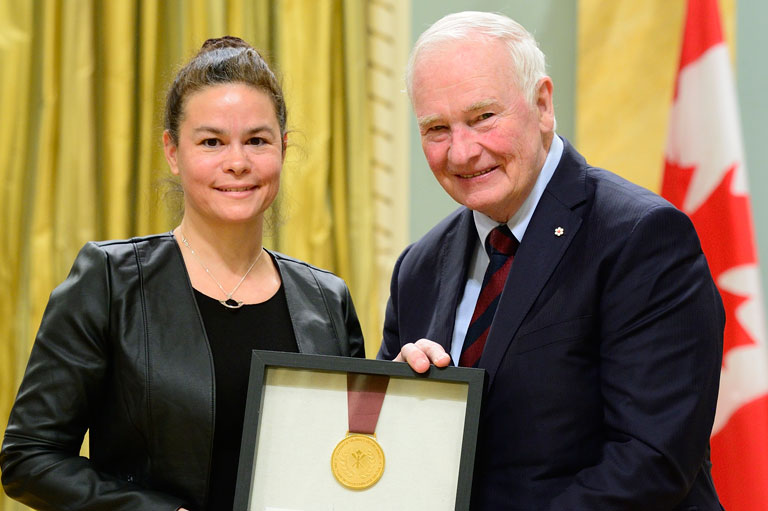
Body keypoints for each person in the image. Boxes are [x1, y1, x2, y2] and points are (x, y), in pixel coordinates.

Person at [378, 11, 724, 510]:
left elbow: (653, 459)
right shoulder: (418, 268)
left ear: (542, 105)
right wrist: (401, 410)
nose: (462, 152)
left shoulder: (641, 237)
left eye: (482, 118)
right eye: (436, 128)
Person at [1, 36, 364, 511]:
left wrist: (414, 393)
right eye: (211, 142)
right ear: (173, 151)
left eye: (257, 140)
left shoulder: (327, 299)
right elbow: (29, 458)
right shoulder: (110, 281)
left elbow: (352, 459)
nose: (237, 162)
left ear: (283, 148)